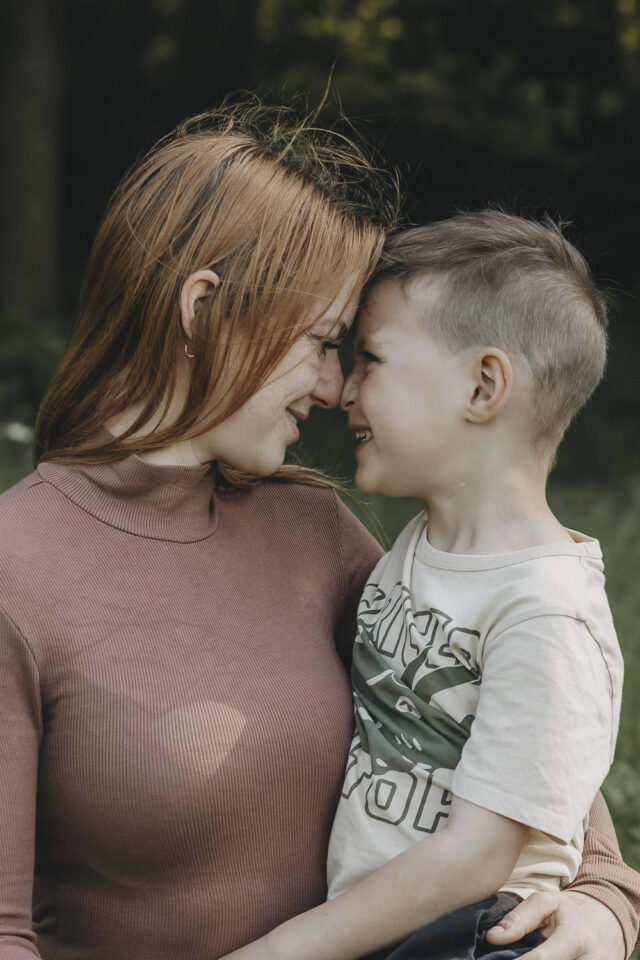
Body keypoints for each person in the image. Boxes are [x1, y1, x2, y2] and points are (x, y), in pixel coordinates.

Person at [0, 103, 637, 960]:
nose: (338, 389)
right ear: (203, 309)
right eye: (324, 341)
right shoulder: (19, 569)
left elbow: (529, 751)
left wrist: (605, 898)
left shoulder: (316, 533)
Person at [217, 212, 633, 960]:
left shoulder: (545, 613)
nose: (344, 389)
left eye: (371, 358)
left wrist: (282, 951)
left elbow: (478, 855)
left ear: (483, 386)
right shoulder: (419, 552)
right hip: (391, 928)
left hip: (472, 936)